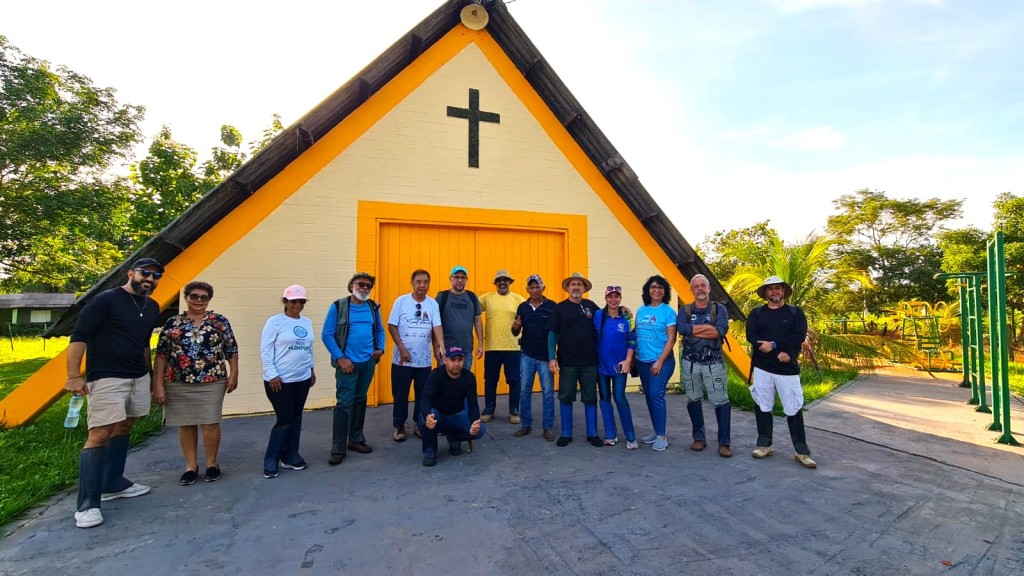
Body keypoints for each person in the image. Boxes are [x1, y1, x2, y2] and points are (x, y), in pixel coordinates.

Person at [64, 258, 163, 528]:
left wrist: (149, 375)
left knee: (125, 425)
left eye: (156, 276)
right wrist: (73, 376)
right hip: (107, 376)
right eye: (145, 273)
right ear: (131, 273)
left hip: (137, 376)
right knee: (100, 433)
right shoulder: (105, 300)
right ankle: (87, 504)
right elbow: (79, 336)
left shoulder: (152, 306)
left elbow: (144, 344)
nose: (150, 279)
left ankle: (113, 483)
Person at [153, 281, 240, 485]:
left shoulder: (219, 321)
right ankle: (191, 466)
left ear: (209, 300)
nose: (199, 300)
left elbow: (231, 349)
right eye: (194, 296)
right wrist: (157, 384)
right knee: (186, 424)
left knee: (210, 423)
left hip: (212, 380)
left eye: (204, 297)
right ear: (186, 298)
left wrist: (234, 374)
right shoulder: (173, 323)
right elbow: (162, 355)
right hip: (178, 381)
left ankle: (212, 463)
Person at [746, 275, 816, 469]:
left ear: (783, 291)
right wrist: (777, 352)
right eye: (771, 288)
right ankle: (764, 445)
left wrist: (776, 345)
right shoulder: (756, 313)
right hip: (762, 367)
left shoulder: (795, 313)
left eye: (778, 288)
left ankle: (802, 452)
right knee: (763, 405)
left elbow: (798, 336)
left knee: (793, 407)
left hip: (788, 369)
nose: (774, 291)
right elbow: (752, 336)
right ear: (765, 293)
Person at [322, 272, 385, 466]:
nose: (364, 288)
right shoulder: (339, 306)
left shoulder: (373, 307)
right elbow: (327, 334)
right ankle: (338, 447)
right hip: (347, 364)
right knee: (344, 404)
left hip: (367, 363)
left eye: (368, 285)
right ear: (351, 286)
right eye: (361, 284)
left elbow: (380, 330)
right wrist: (340, 358)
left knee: (360, 400)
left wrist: (380, 349)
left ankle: (356, 439)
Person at [259, 285, 316, 479]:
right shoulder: (274, 322)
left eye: (301, 301)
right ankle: (271, 459)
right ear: (285, 301)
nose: (297, 304)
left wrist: (311, 369)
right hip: (280, 380)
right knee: (284, 420)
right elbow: (266, 349)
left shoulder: (306, 322)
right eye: (293, 301)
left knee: (296, 417)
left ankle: (291, 455)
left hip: (302, 378)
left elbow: (308, 348)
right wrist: (272, 374)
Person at [677, 274, 732, 457]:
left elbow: (720, 331)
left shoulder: (719, 309)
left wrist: (695, 331)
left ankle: (724, 443)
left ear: (709, 288)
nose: (700, 288)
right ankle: (699, 438)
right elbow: (682, 329)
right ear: (691, 290)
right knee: (693, 399)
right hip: (690, 363)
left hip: (714, 363)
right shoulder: (685, 310)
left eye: (703, 285)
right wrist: (709, 329)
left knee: (721, 401)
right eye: (696, 286)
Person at [388, 269, 445, 443]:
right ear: (412, 283)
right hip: (402, 360)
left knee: (423, 393)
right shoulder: (401, 301)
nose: (422, 285)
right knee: (400, 393)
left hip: (423, 361)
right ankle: (399, 425)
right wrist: (401, 348)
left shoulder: (432, 304)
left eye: (426, 282)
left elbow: (436, 327)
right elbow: (392, 326)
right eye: (418, 282)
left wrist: (440, 346)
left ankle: (419, 423)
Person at [547, 272, 602, 448]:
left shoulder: (591, 306)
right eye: (573, 284)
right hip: (567, 362)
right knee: (565, 397)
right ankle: (566, 433)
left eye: (579, 284)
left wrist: (622, 309)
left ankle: (592, 433)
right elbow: (552, 334)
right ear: (568, 288)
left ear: (584, 288)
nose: (576, 287)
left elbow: (608, 316)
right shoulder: (559, 308)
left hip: (589, 361)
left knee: (590, 397)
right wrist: (551, 358)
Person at [418, 345, 486, 466]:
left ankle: (454, 438)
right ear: (445, 360)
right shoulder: (436, 374)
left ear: (463, 360)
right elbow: (426, 398)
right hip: (438, 415)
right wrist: (427, 415)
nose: (456, 363)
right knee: (423, 419)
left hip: (457, 415)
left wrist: (475, 422)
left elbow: (472, 404)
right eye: (452, 359)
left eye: (460, 360)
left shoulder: (469, 377)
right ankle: (430, 451)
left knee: (480, 430)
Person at [512, 274, 558, 441]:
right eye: (531, 287)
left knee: (548, 393)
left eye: (537, 287)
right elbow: (515, 332)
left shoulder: (552, 306)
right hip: (527, 355)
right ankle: (526, 425)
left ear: (543, 288)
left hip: (546, 356)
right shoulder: (522, 307)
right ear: (527, 290)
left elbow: (558, 330)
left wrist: (555, 356)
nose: (534, 290)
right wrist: (515, 326)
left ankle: (547, 427)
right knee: (525, 391)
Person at [635, 275, 678, 452]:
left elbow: (671, 339)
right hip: (642, 361)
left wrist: (659, 361)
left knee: (655, 394)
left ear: (665, 291)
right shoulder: (641, 310)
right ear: (648, 290)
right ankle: (656, 430)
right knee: (649, 395)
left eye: (660, 287)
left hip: (661, 361)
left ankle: (661, 436)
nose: (657, 290)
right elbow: (636, 333)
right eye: (653, 287)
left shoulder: (668, 312)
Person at [478, 269, 525, 423]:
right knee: (490, 380)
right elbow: (470, 306)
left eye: (505, 280)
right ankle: (489, 409)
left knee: (514, 381)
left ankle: (514, 410)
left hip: (513, 347)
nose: (502, 282)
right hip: (492, 347)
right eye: (499, 280)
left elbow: (528, 318)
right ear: (495, 283)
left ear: (510, 282)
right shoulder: (487, 298)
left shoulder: (519, 299)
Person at [594, 285, 638, 449]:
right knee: (604, 398)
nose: (613, 299)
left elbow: (632, 340)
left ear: (620, 298)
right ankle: (610, 434)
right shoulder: (598, 315)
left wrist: (628, 360)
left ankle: (630, 436)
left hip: (620, 366)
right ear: (605, 298)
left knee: (619, 397)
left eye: (616, 296)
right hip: (601, 366)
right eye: (610, 297)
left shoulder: (627, 317)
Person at [436, 265, 484, 371]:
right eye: (456, 277)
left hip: (465, 350)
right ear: (450, 279)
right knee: (444, 380)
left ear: (466, 280)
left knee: (464, 379)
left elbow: (477, 321)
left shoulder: (472, 297)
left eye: (463, 277)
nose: (460, 280)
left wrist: (480, 344)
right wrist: (437, 347)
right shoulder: (442, 297)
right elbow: (435, 323)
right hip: (446, 350)